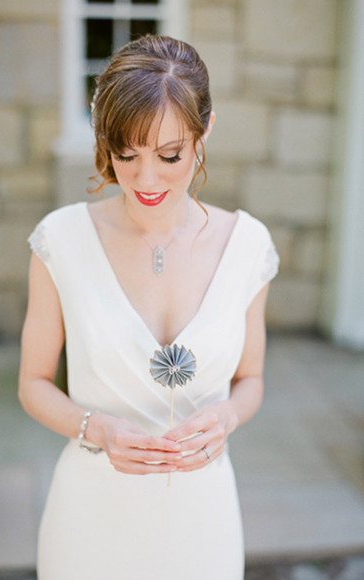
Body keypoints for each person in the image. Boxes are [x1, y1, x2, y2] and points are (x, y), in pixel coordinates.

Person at [19, 34, 279, 580]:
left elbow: (251, 378)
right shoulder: (61, 241)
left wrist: (228, 415)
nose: (146, 178)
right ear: (105, 143)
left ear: (205, 131)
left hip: (203, 523)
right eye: (126, 155)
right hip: (90, 523)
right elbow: (34, 383)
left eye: (169, 155)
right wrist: (97, 429)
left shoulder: (248, 246)